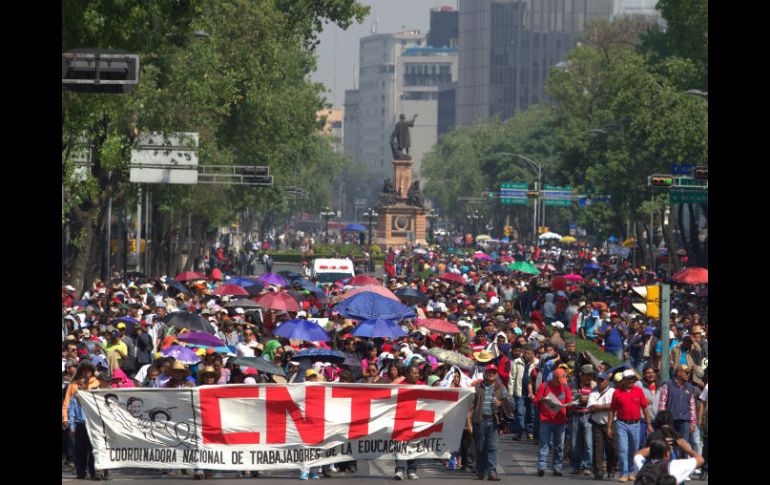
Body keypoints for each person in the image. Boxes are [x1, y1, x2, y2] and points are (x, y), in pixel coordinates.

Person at [608, 369, 653, 483]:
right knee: (623, 449)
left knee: (634, 449)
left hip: (635, 424)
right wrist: (609, 426)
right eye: (628, 378)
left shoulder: (638, 391)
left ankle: (632, 472)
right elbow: (612, 410)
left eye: (632, 378)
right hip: (621, 423)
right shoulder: (617, 392)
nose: (631, 380)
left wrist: (648, 424)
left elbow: (645, 408)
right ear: (623, 380)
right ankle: (624, 473)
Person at [470, 364, 509, 481]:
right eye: (489, 372)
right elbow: (471, 404)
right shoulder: (478, 387)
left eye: (493, 372)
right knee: (480, 447)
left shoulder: (501, 388)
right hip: (479, 420)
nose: (491, 374)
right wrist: (468, 422)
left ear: (496, 374)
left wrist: (501, 403)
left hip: (494, 421)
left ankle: (492, 471)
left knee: (492, 447)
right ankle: (481, 471)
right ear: (485, 374)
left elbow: (511, 404)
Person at [534, 368, 573, 477]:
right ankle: (541, 466)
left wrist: (571, 404)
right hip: (546, 420)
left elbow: (569, 400)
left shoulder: (565, 387)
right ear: (554, 378)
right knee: (544, 443)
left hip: (560, 420)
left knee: (559, 446)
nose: (561, 383)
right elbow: (536, 401)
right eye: (559, 380)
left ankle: (557, 467)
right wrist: (541, 400)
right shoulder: (544, 386)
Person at [633, 438, 704, 485]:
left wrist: (656, 445)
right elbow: (700, 460)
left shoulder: (642, 465)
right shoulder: (674, 466)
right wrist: (687, 449)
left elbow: (638, 454)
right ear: (666, 454)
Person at [587, 371, 617, 480]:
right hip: (597, 424)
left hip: (611, 423)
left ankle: (611, 469)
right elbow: (591, 408)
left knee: (613, 448)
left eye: (602, 380)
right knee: (597, 448)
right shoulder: (593, 392)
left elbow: (614, 407)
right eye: (598, 380)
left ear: (607, 381)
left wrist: (599, 407)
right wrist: (607, 406)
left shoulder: (613, 391)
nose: (600, 382)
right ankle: (598, 470)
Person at [395, 365, 423, 480]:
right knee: (400, 445)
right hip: (402, 419)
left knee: (414, 445)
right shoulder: (399, 386)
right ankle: (400, 470)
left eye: (417, 373)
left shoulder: (423, 386)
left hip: (417, 420)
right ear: (407, 374)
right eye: (413, 373)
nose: (416, 375)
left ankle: (412, 470)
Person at [657, 365, 696, 447]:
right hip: (670, 422)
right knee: (669, 445)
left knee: (684, 446)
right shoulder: (667, 385)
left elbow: (692, 407)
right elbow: (662, 405)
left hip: (685, 422)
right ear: (678, 373)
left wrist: (692, 423)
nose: (688, 375)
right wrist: (663, 422)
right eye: (686, 372)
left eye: (689, 373)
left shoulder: (690, 387)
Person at [569, 364, 595, 476]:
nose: (588, 378)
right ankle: (576, 466)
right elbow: (568, 399)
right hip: (575, 415)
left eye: (590, 375)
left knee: (589, 442)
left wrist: (588, 400)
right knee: (575, 443)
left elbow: (598, 400)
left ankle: (587, 466)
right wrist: (577, 399)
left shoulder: (595, 387)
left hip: (588, 415)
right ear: (581, 375)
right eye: (586, 375)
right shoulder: (573, 385)